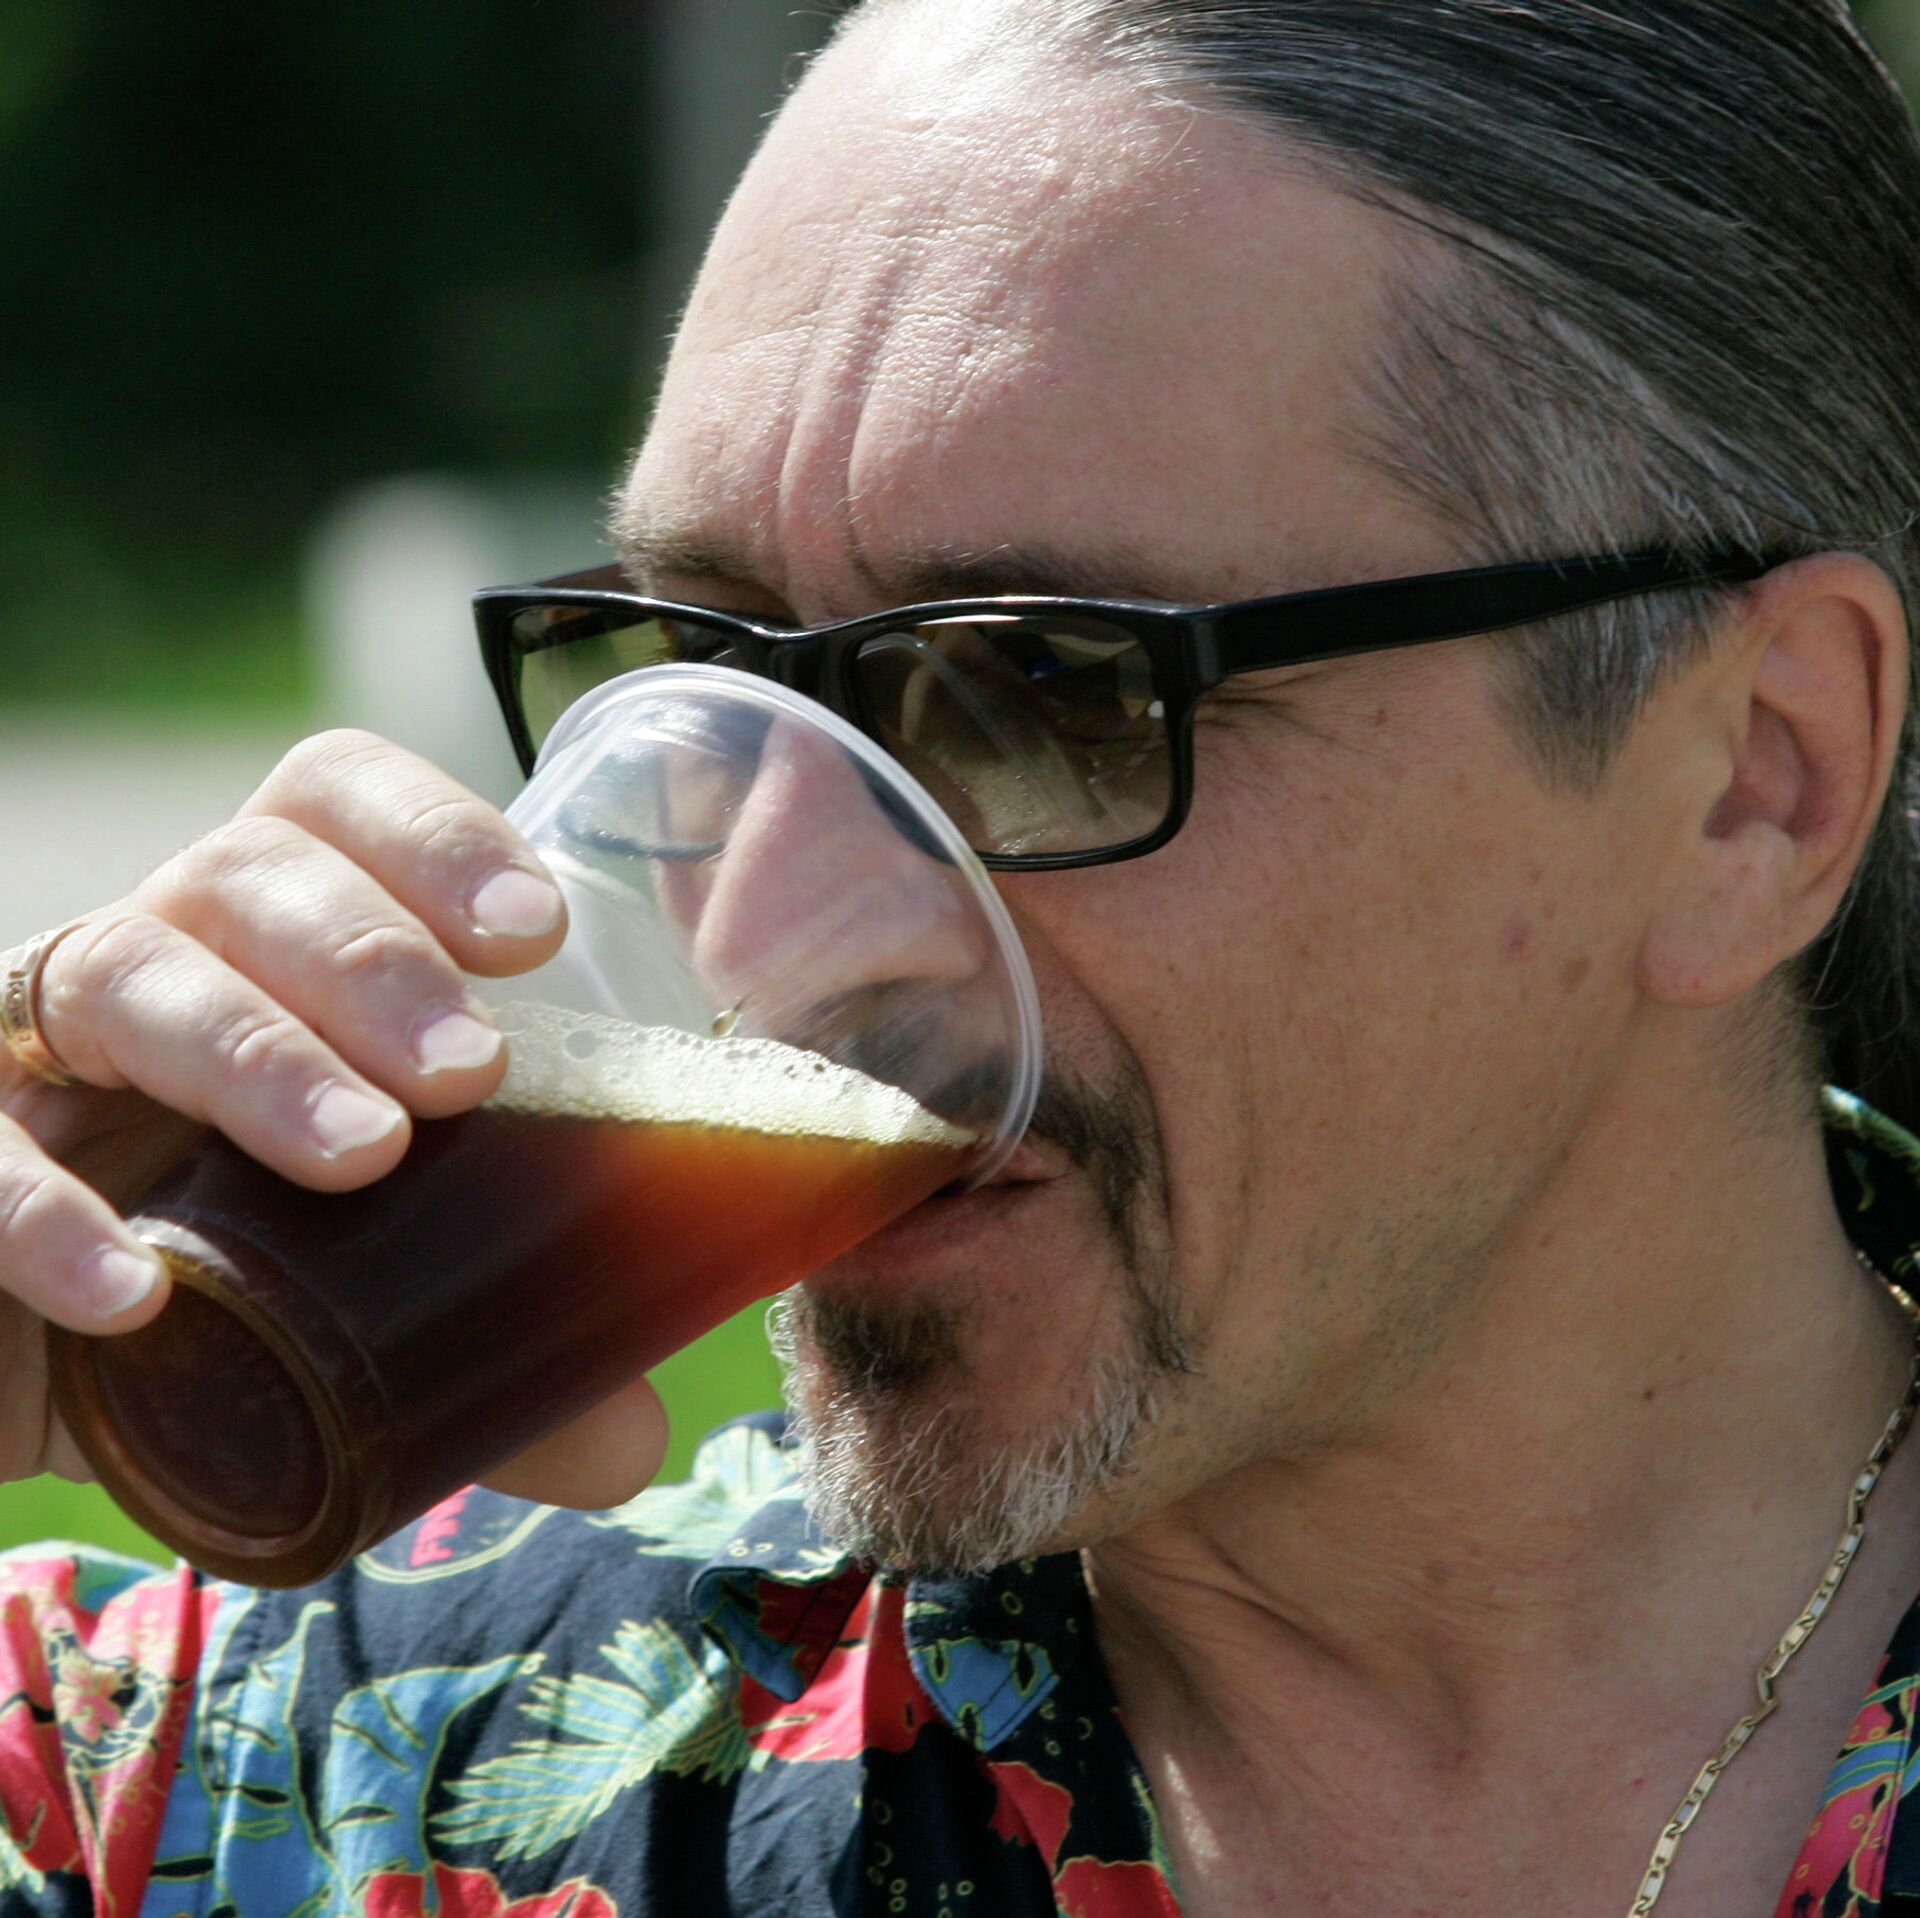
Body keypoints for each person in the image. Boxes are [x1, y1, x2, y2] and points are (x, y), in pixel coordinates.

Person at [5, 0, 1920, 1911]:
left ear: (1758, 778)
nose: (765, 934)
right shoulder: (328, 1766)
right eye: (699, 668)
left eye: (1046, 690)